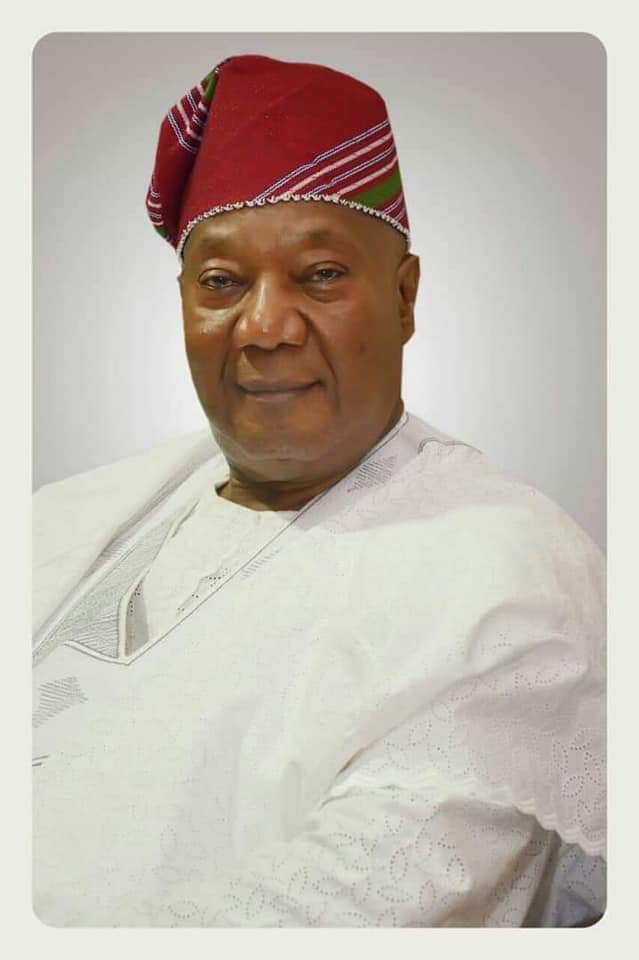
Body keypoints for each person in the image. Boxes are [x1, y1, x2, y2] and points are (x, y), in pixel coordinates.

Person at [32, 54, 605, 927]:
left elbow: (352, 904)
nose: (264, 328)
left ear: (404, 299)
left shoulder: (504, 575)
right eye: (221, 284)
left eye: (321, 275)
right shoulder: (73, 518)